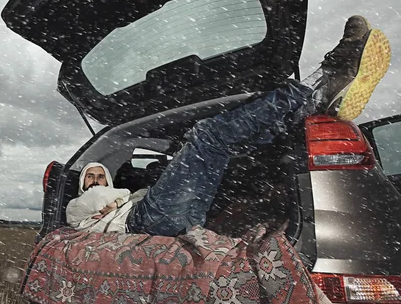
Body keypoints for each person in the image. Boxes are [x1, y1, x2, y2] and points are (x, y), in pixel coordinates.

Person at [66, 16, 392, 237]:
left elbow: (125, 199)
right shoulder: (78, 207)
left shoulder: (120, 199)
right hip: (145, 221)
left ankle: (316, 100)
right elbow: (100, 204)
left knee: (240, 146)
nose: (95, 180)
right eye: (90, 177)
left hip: (169, 217)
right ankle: (316, 84)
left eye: (98, 175)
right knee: (208, 135)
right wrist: (124, 196)